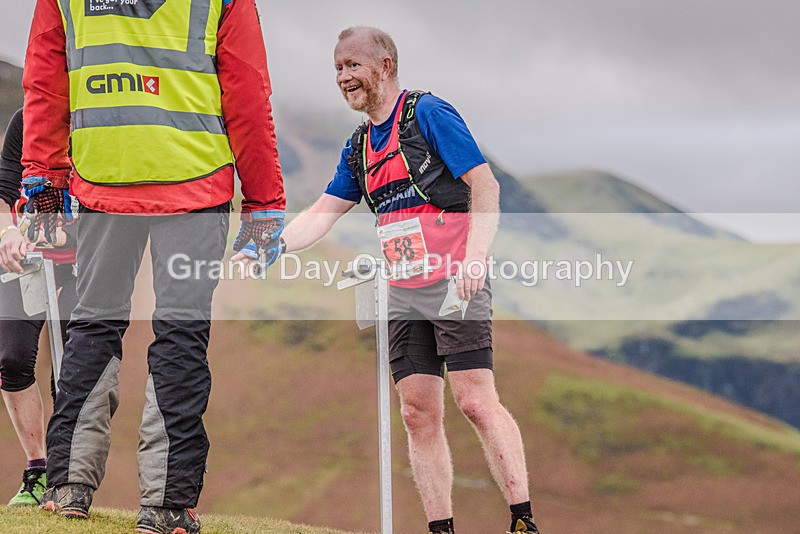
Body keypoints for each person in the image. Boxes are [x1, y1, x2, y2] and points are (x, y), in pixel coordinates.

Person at [237, 26, 540, 534]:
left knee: (474, 400)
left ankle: (522, 520)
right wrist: (271, 246)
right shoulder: (357, 147)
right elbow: (323, 212)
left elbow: (484, 184)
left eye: (353, 66)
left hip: (454, 280)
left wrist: (476, 257)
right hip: (402, 289)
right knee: (417, 412)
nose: (343, 77)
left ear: (386, 65)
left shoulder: (428, 114)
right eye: (337, 69)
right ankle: (440, 527)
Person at [21, 0, 285, 532]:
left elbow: (46, 84)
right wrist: (263, 205)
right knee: (181, 336)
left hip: (102, 181)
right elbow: (248, 97)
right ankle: (165, 505)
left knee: (92, 326)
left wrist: (44, 181)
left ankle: (68, 488)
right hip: (195, 183)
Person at [0, 108, 77, 508]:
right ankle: (37, 470)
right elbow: (4, 188)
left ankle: (68, 478)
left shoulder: (103, 118)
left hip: (87, 259)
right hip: (26, 259)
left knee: (72, 368)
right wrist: (7, 231)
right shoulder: (25, 120)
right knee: (11, 358)